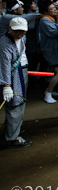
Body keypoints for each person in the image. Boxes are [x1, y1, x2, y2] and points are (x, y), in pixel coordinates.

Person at [1, 17, 32, 148]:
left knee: (19, 102)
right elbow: (5, 65)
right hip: (11, 75)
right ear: (10, 29)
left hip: (20, 71)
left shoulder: (22, 38)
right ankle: (12, 137)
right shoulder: (4, 43)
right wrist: (6, 86)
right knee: (15, 103)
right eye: (17, 31)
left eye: (22, 31)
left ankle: (13, 130)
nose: (19, 34)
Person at [37, 0, 58, 103]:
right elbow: (54, 32)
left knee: (54, 72)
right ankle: (48, 93)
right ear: (45, 11)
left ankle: (51, 90)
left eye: (54, 8)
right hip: (49, 51)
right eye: (52, 9)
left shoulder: (49, 18)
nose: (55, 10)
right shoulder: (44, 20)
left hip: (53, 49)